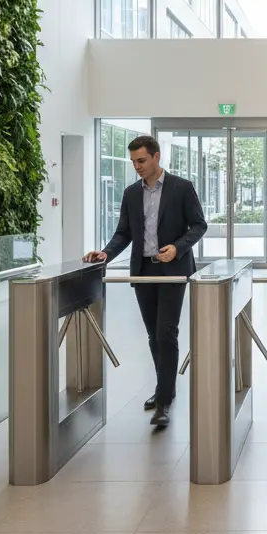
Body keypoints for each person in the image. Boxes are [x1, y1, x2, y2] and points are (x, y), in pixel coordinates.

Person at [84, 135, 207, 428]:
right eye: (133, 162)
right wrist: (106, 253)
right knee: (154, 335)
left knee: (167, 333)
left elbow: (200, 224)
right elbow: (123, 233)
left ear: (156, 157)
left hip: (173, 270)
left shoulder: (182, 188)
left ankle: (163, 400)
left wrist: (178, 247)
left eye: (141, 161)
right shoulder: (130, 194)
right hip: (142, 271)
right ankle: (165, 388)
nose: (137, 166)